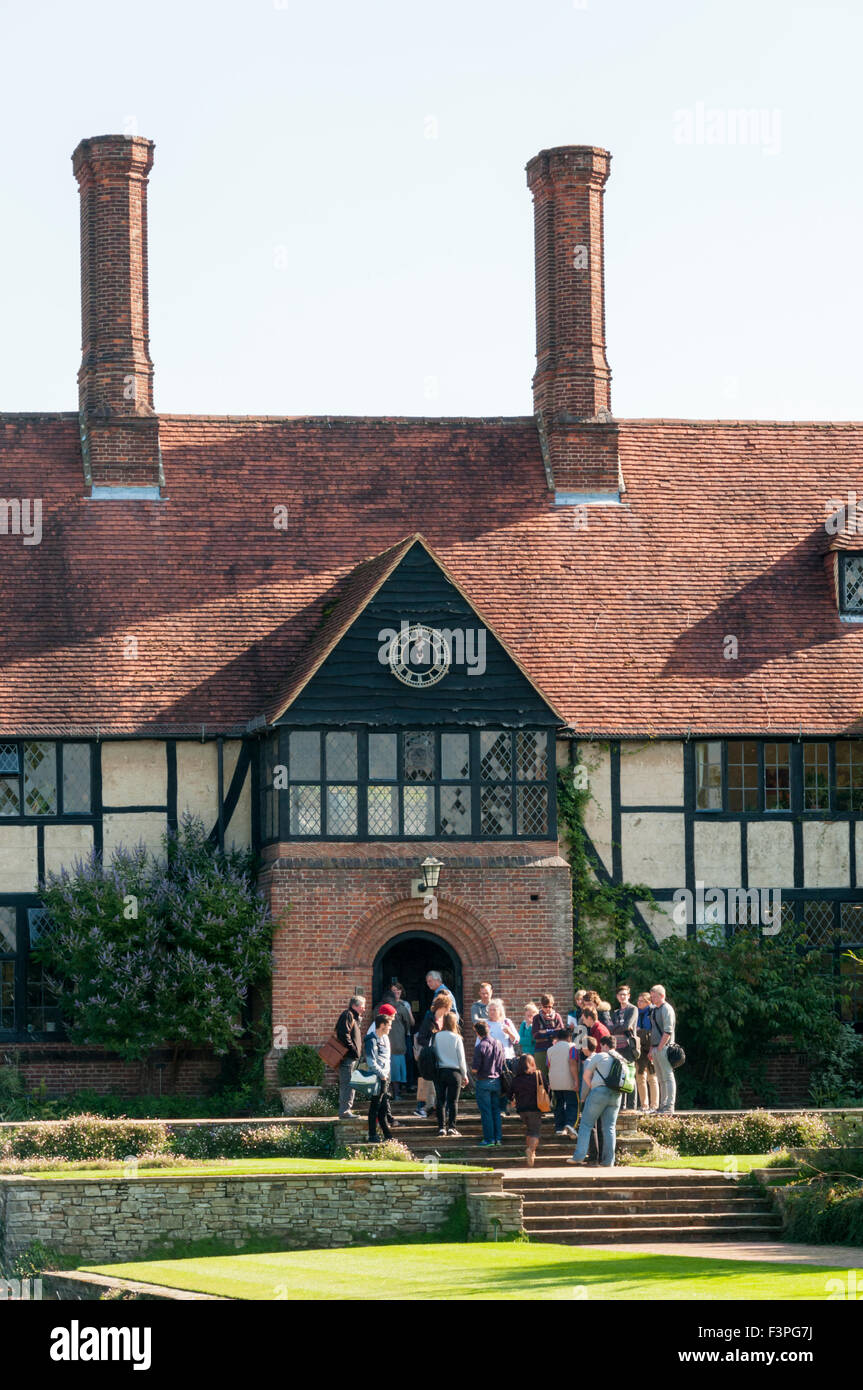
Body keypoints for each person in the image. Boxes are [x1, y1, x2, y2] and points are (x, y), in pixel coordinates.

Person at [567, 1036, 623, 1168]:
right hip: (617, 1095)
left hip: (599, 1092)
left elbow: (586, 1076)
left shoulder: (600, 1056)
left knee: (586, 1124)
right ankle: (609, 1161)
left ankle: (578, 1156)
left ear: (604, 1046)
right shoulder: (622, 1058)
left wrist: (594, 1088)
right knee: (609, 1128)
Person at [413, 991, 453, 1117]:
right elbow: (421, 1038)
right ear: (442, 1007)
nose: (449, 1010)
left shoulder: (447, 1020)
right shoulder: (429, 1020)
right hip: (431, 1056)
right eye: (448, 1008)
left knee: (443, 1084)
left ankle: (440, 1108)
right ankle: (427, 1107)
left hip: (444, 1056)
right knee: (430, 1082)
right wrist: (434, 1042)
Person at [432, 1010, 468, 1136]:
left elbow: (433, 1053)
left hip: (440, 1071)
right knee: (453, 1101)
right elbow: (461, 1059)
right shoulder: (457, 1037)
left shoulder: (436, 1036)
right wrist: (465, 1075)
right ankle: (452, 1127)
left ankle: (441, 1127)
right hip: (455, 1072)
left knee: (440, 1100)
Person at [472, 1019, 506, 1146]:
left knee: (486, 1112)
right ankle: (498, 1139)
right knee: (496, 1111)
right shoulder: (498, 1043)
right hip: (497, 1081)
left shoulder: (480, 1046)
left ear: (477, 1033)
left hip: (483, 1081)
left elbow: (475, 1069)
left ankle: (489, 1139)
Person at [608, 984, 640, 1110]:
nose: (622, 997)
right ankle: (622, 1105)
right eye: (620, 995)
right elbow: (610, 1029)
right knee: (620, 1074)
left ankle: (632, 1106)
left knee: (630, 1074)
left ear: (629, 996)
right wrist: (616, 1028)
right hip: (617, 1047)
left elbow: (627, 1025)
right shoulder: (615, 1012)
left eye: (625, 995)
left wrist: (615, 1028)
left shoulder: (633, 1009)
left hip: (628, 1046)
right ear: (617, 997)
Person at [334, 994, 365, 1119]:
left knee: (350, 1083)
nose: (364, 1008)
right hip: (348, 1057)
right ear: (354, 1006)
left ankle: (346, 1110)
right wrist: (353, 1050)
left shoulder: (353, 1016)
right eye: (362, 1006)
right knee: (348, 1084)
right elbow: (344, 1035)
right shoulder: (347, 1015)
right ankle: (345, 1111)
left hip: (351, 1057)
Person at [364, 1013, 394, 1142]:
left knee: (382, 1109)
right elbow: (371, 1062)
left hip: (385, 1078)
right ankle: (372, 1135)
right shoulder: (371, 1040)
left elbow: (386, 1059)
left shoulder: (385, 1038)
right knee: (375, 1107)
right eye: (389, 1025)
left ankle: (387, 1135)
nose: (390, 1028)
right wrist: (382, 1075)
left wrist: (386, 1076)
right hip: (377, 1078)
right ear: (382, 1025)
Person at [511, 1054, 545, 1167]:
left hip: (521, 1109)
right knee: (535, 1132)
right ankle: (531, 1150)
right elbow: (547, 1088)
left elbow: (509, 1094)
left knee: (529, 1131)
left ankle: (531, 1153)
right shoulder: (537, 1075)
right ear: (532, 1063)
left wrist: (513, 1100)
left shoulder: (516, 1079)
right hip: (535, 1108)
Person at [487, 998, 519, 1116]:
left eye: (494, 1010)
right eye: (490, 1010)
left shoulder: (506, 1022)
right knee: (496, 1084)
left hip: (507, 1057)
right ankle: (499, 1109)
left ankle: (507, 1106)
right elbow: (479, 1043)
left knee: (507, 1083)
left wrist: (509, 1032)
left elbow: (516, 1040)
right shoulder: (486, 1024)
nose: (492, 1012)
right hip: (492, 1059)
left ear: (500, 1011)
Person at [547, 1025, 580, 1136]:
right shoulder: (573, 1047)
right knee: (572, 1103)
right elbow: (573, 1064)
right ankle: (570, 1124)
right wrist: (576, 1081)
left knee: (558, 1105)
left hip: (554, 1082)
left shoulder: (550, 1050)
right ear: (569, 1037)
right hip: (569, 1081)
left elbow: (548, 1065)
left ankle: (559, 1127)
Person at [649, 984, 677, 1115]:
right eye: (652, 997)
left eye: (655, 996)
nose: (653, 999)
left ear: (662, 996)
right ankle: (662, 1105)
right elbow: (653, 1031)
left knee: (668, 1076)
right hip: (655, 1047)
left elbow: (668, 1030)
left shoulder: (667, 1009)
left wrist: (660, 1047)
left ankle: (669, 1106)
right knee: (660, 1078)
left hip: (664, 1047)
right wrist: (651, 1049)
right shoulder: (654, 1010)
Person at [531, 993, 564, 1085]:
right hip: (541, 1050)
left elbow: (561, 1032)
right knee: (541, 1077)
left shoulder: (557, 1016)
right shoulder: (537, 1018)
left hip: (555, 1049)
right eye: (545, 1007)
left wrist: (544, 1032)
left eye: (550, 1006)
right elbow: (535, 1035)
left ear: (553, 1005)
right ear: (541, 1006)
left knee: (555, 1075)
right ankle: (544, 1098)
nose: (548, 1009)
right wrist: (552, 1032)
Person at [636, 991, 659, 1113]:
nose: (639, 1003)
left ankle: (654, 1105)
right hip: (640, 1047)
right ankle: (644, 1105)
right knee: (640, 1076)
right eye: (638, 1001)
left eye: (642, 1001)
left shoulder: (653, 1012)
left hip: (651, 1045)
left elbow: (655, 1030)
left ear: (648, 1002)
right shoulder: (636, 1013)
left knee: (652, 1076)